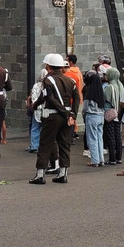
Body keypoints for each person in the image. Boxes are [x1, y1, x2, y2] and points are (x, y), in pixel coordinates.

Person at [29, 54, 79, 184]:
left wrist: (33, 106)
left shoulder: (48, 80)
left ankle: (40, 175)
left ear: (49, 66)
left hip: (53, 116)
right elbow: (77, 98)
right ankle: (63, 174)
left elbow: (47, 98)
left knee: (45, 144)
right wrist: (72, 114)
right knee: (64, 145)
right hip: (68, 117)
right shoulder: (71, 81)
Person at [82, 72, 105, 167]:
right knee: (99, 138)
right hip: (101, 116)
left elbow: (85, 108)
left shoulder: (90, 92)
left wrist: (84, 115)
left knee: (92, 138)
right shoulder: (101, 92)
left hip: (91, 116)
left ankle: (94, 160)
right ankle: (101, 159)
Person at [103, 67, 124, 165]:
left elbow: (105, 100)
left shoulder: (109, 87)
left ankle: (112, 159)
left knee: (110, 136)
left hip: (110, 113)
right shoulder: (121, 86)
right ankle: (119, 157)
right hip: (119, 113)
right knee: (118, 136)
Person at [26, 69, 48, 153]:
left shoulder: (36, 85)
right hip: (46, 110)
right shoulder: (48, 85)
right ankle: (44, 145)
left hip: (37, 109)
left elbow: (34, 97)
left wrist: (34, 105)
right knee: (45, 128)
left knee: (35, 128)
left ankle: (34, 145)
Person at [65, 55, 84, 142]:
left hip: (71, 98)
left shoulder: (69, 72)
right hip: (78, 96)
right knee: (74, 114)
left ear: (70, 62)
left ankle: (72, 134)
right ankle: (74, 132)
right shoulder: (78, 71)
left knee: (70, 116)